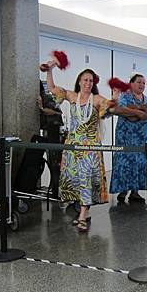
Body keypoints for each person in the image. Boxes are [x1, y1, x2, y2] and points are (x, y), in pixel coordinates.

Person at [43, 62, 113, 232]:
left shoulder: (96, 99)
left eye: (91, 81)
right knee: (76, 180)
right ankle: (84, 211)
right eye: (85, 80)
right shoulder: (72, 96)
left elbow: (110, 108)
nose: (88, 83)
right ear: (80, 81)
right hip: (73, 146)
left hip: (90, 147)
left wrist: (114, 98)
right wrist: (50, 70)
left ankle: (82, 214)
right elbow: (51, 88)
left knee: (86, 179)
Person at [110, 73, 147, 204]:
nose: (142, 85)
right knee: (126, 163)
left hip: (144, 140)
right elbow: (118, 110)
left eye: (144, 83)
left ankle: (135, 192)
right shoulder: (125, 97)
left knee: (142, 164)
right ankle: (123, 190)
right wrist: (136, 112)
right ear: (131, 84)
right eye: (139, 82)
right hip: (127, 139)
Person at [39, 81, 64, 197]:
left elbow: (57, 113)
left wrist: (41, 108)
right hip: (49, 132)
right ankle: (54, 190)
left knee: (54, 163)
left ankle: (55, 192)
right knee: (52, 163)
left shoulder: (46, 97)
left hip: (53, 132)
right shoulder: (44, 97)